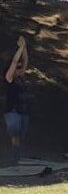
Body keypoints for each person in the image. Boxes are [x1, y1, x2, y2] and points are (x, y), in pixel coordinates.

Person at [4, 36, 30, 165]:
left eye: (20, 68)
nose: (20, 69)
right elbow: (15, 62)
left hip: (23, 111)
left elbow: (24, 61)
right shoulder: (9, 78)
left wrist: (24, 47)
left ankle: (18, 159)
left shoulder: (21, 77)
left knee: (21, 137)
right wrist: (20, 48)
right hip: (13, 112)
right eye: (17, 68)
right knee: (15, 136)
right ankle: (14, 160)